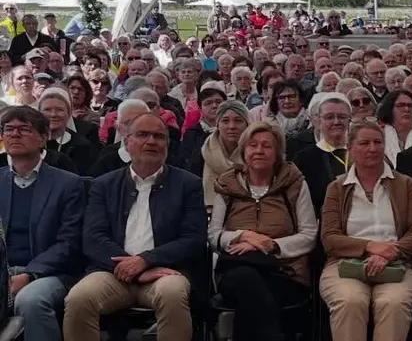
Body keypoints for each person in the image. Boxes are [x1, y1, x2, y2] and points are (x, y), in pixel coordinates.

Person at [64, 112, 207, 341]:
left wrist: (146, 261)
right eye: (142, 135)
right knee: (79, 298)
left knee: (173, 294)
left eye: (159, 136)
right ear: (127, 142)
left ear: (167, 145)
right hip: (111, 273)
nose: (151, 141)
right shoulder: (104, 185)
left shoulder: (188, 184)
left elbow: (194, 238)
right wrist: (130, 266)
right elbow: (93, 237)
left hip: (164, 272)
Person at [207, 122, 317, 341]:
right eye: (253, 145)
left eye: (267, 146)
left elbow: (309, 235)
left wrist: (271, 244)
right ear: (243, 151)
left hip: (285, 271)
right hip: (235, 269)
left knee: (252, 293)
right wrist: (243, 236)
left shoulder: (294, 183)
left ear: (277, 153)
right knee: (246, 279)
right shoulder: (227, 185)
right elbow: (213, 235)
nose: (259, 150)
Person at [319, 120, 412, 341]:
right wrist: (369, 247)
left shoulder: (406, 185)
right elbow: (329, 238)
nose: (372, 148)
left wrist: (392, 251)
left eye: (378, 142)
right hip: (344, 264)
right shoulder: (337, 188)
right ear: (350, 148)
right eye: (364, 143)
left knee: (393, 303)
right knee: (350, 301)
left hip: (398, 262)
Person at [0, 106, 85, 341]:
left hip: (50, 273)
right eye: (8, 129)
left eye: (23, 129)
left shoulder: (68, 184)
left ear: (43, 137)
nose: (14, 134)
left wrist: (29, 274)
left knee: (31, 300)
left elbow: (69, 243)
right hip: (3, 271)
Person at [295, 94, 354, 216]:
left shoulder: (360, 152)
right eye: (329, 117)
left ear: (349, 119)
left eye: (342, 117)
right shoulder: (304, 158)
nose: (336, 122)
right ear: (319, 121)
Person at [188, 100, 249, 208]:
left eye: (238, 120)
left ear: (247, 124)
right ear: (218, 124)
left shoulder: (256, 152)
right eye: (225, 121)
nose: (232, 126)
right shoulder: (203, 152)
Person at [39, 88, 101, 174]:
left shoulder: (83, 146)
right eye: (47, 110)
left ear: (68, 114)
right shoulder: (30, 144)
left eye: (59, 110)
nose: (53, 114)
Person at [378, 90, 412, 164]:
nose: (407, 109)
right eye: (400, 105)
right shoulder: (380, 134)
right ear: (389, 109)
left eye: (410, 106)